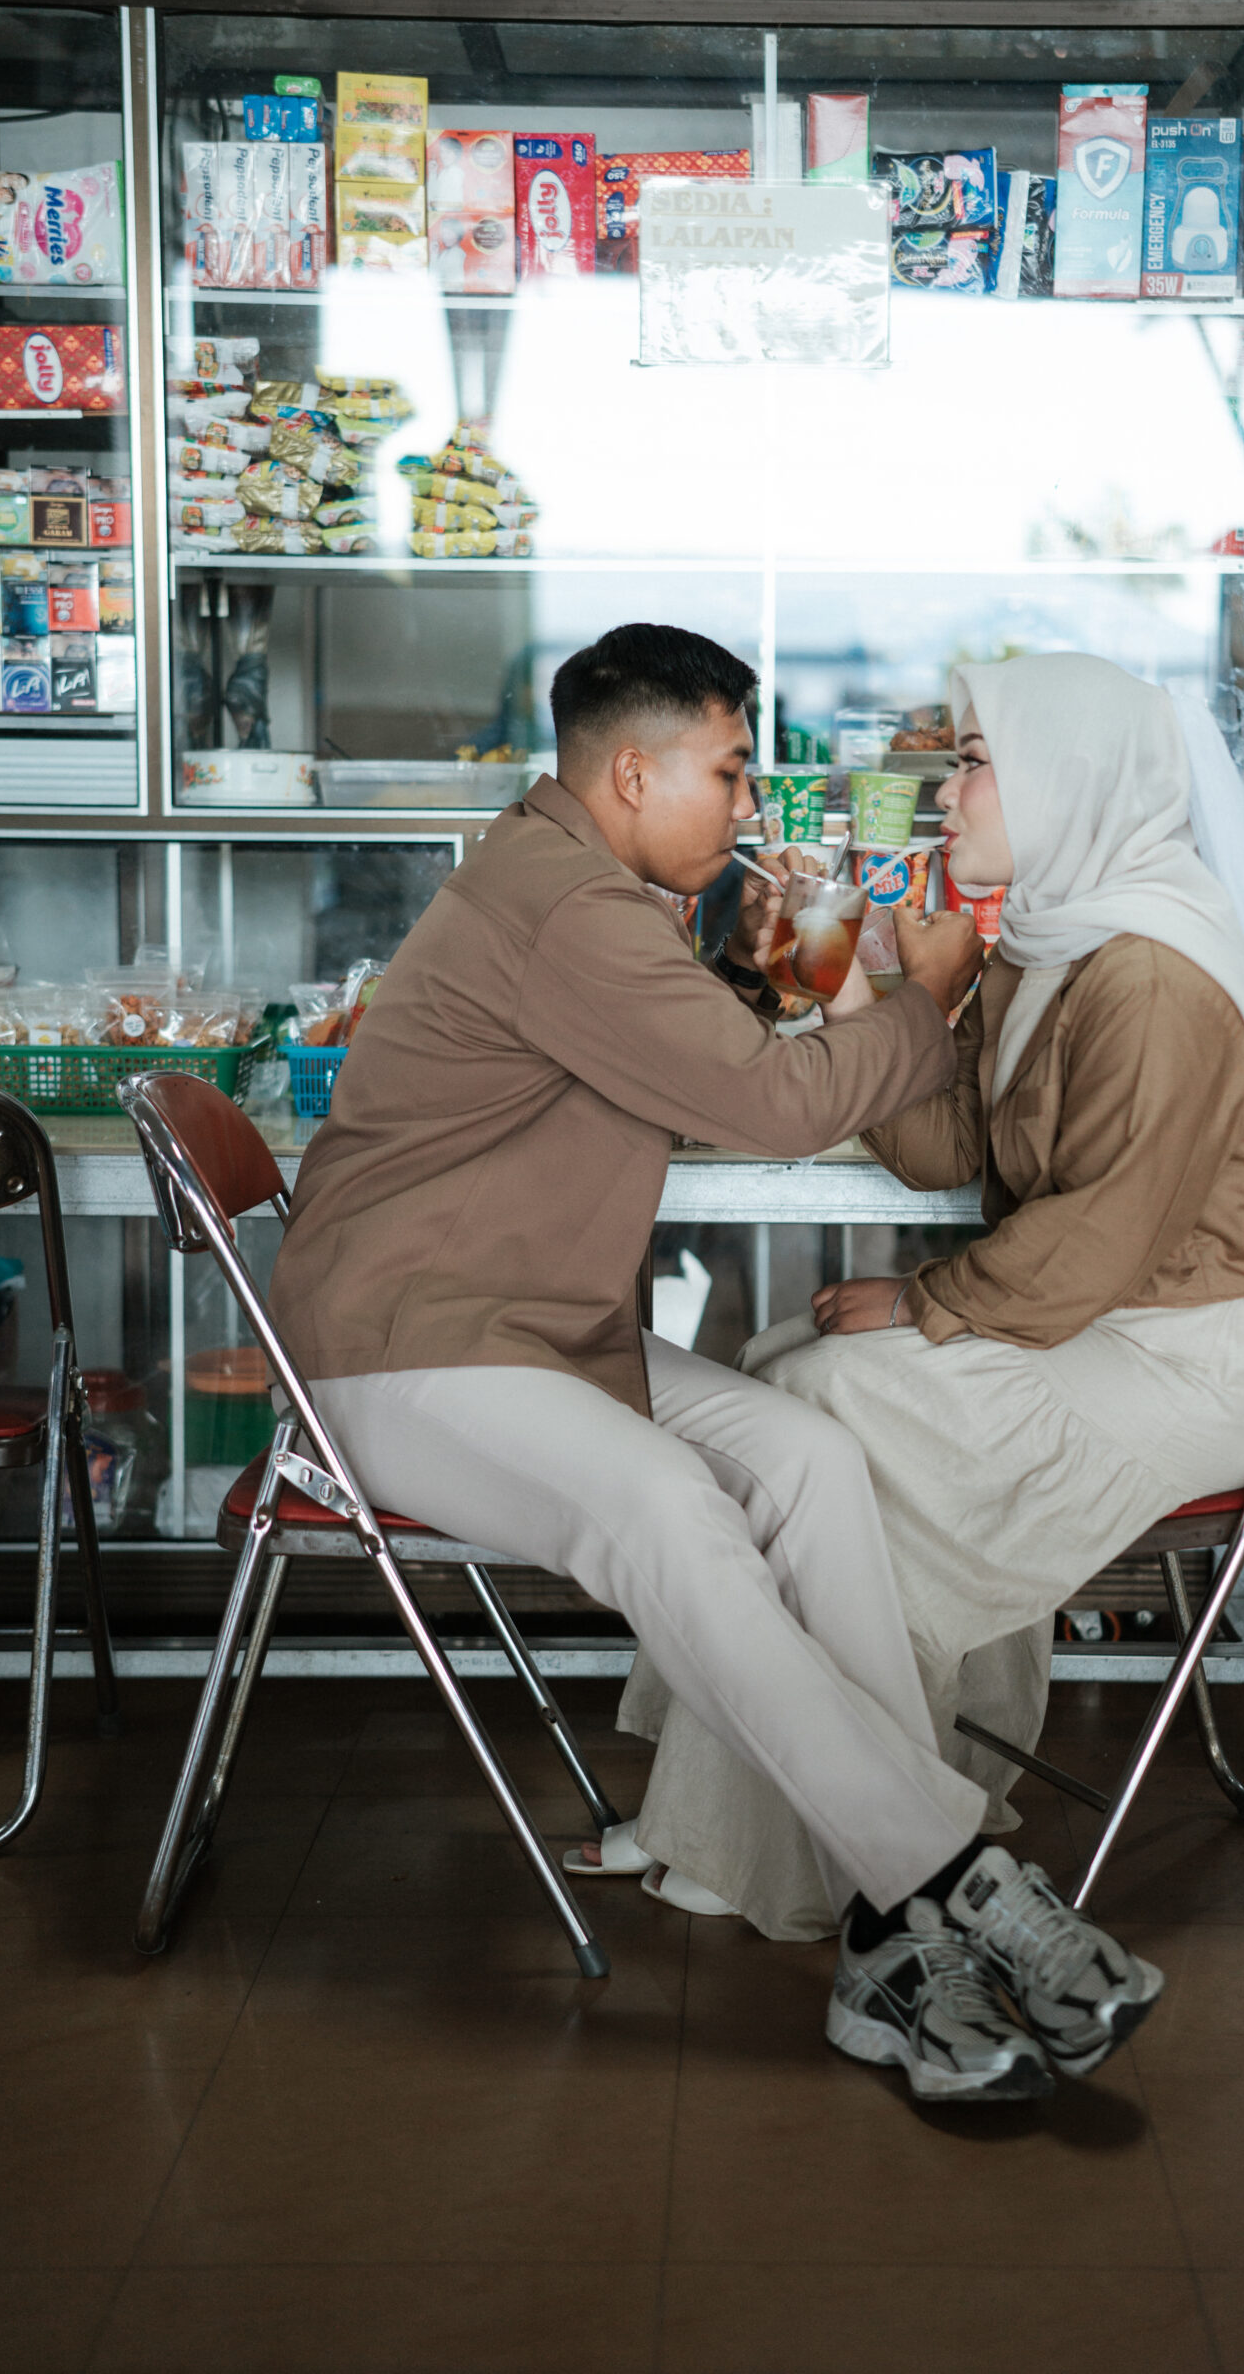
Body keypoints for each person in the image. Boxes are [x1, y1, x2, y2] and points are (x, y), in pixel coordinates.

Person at [267, 622, 1164, 2102]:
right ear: (633, 773)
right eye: (732, 772)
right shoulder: (568, 904)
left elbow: (671, 1062)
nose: (749, 807)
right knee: (672, 1509)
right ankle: (948, 1883)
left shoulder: (579, 885)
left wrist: (761, 985)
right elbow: (771, 1107)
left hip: (531, 1333)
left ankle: (886, 1936)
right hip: (404, 1347)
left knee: (809, 1459)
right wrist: (925, 1008)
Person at [609, 652, 1244, 1942]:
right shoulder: (1053, 941)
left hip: (1185, 1360)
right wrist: (867, 985)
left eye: (977, 764)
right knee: (777, 1377)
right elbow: (950, 1150)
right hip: (1091, 1320)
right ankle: (804, 1799)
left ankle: (766, 1830)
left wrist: (919, 1302)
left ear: (1070, 780)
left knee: (825, 1404)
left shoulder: (1153, 976)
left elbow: (1099, 1239)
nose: (945, 795)